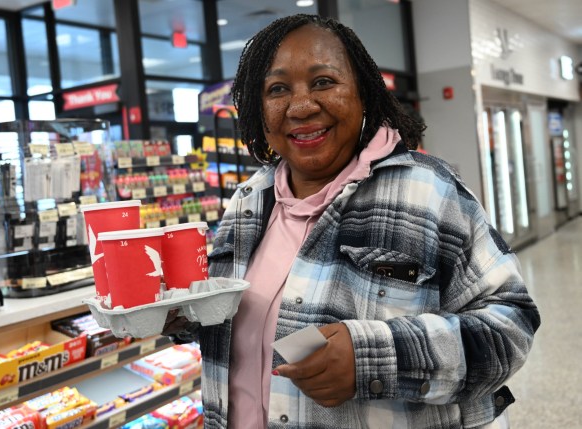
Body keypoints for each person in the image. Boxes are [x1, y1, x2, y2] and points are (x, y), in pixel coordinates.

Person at [164, 13, 540, 429]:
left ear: (363, 93)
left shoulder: (427, 192)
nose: (302, 106)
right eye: (277, 89)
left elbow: (512, 326)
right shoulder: (248, 202)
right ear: (259, 110)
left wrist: (375, 360)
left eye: (324, 81)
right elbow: (239, 332)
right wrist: (182, 314)